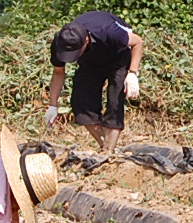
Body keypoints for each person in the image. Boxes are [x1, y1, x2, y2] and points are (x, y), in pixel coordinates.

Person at [44, 11, 144, 153]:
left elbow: (138, 42)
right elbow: (59, 72)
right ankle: (106, 148)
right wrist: (52, 105)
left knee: (115, 101)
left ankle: (109, 150)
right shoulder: (61, 42)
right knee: (81, 102)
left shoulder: (109, 31)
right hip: (90, 62)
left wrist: (133, 73)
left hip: (119, 56)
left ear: (86, 41)